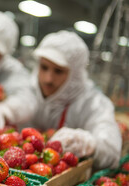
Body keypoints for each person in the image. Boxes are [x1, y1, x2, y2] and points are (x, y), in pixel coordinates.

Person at [21, 30, 121, 169]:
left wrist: (89, 143)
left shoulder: (93, 103)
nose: (48, 79)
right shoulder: (28, 88)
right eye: (44, 67)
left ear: (75, 74)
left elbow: (111, 151)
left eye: (58, 71)